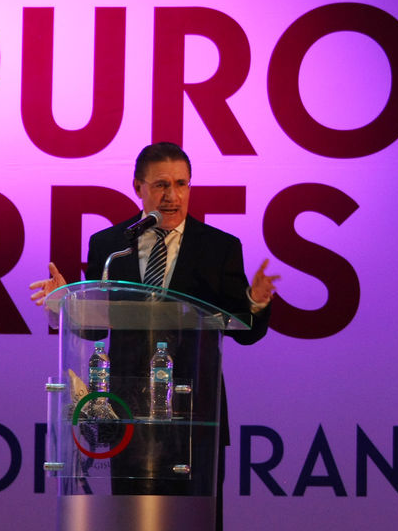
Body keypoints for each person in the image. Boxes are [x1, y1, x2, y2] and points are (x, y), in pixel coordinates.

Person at [30, 142, 278, 531]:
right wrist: (66, 302)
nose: (172, 196)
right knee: (133, 521)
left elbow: (244, 331)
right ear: (138, 187)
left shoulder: (219, 248)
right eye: (161, 184)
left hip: (195, 414)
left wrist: (255, 303)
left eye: (181, 184)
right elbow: (94, 328)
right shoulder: (110, 245)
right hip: (129, 412)